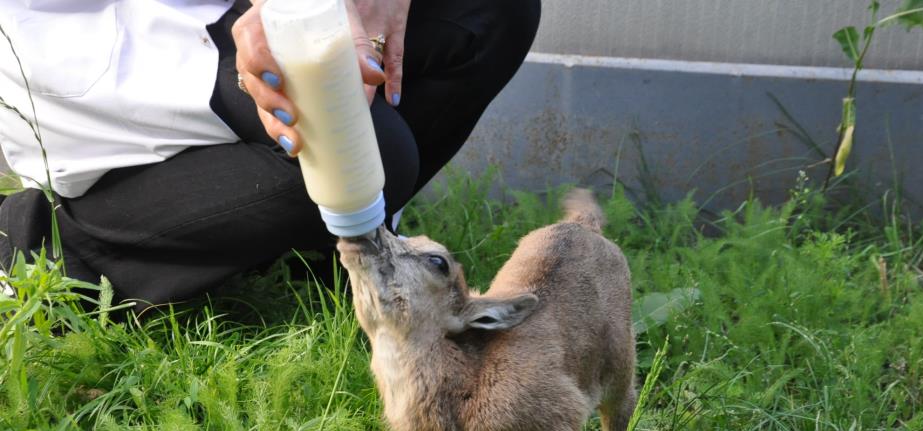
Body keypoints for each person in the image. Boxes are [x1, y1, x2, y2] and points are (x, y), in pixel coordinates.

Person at [0, 0, 540, 308]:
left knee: (494, 10)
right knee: (367, 159)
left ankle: (327, 253)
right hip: (93, 30)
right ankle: (54, 245)